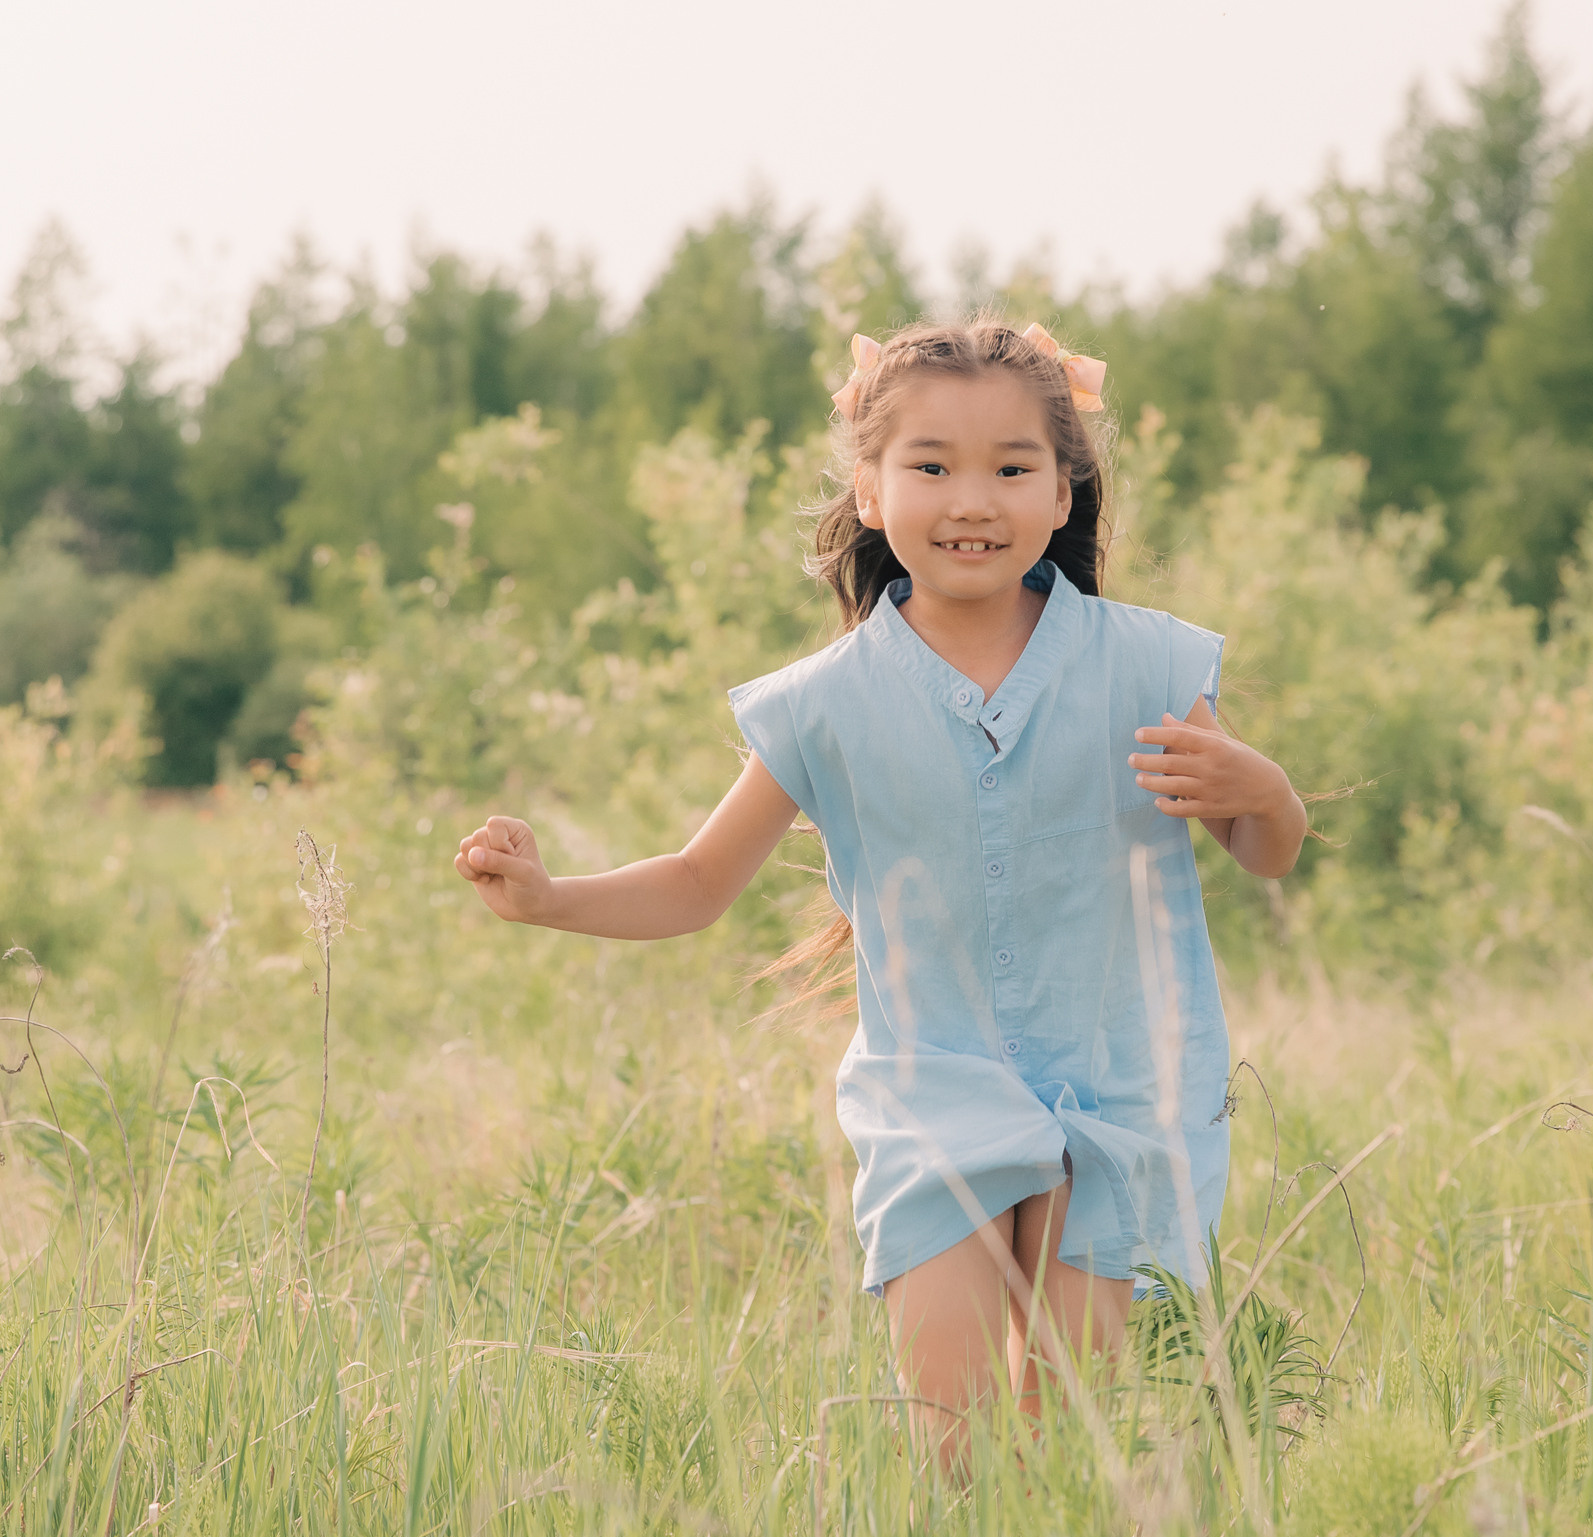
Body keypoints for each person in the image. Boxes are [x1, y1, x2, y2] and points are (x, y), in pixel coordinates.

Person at [454, 318, 1306, 1456]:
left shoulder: (1144, 667)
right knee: (953, 1439)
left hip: (1119, 1096)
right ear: (868, 490)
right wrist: (549, 896)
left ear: (1062, 494)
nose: (972, 498)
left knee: (1072, 1441)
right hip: (931, 1093)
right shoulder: (825, 703)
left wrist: (1266, 789)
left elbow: (1262, 849)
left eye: (1012, 467)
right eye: (931, 465)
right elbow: (700, 880)